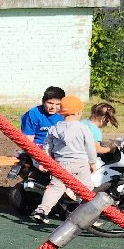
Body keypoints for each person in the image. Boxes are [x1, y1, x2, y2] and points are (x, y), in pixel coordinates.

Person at [31, 94, 99, 222]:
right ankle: (90, 217)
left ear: (61, 112)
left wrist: (45, 162)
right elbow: (90, 146)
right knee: (86, 190)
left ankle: (42, 210)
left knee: (55, 188)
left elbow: (47, 146)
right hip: (80, 163)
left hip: (60, 164)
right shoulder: (83, 128)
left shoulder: (55, 128)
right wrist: (92, 162)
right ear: (79, 112)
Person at [20, 86, 66, 150]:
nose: (53, 107)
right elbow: (28, 141)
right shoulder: (32, 115)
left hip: (59, 148)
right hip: (38, 149)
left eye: (57, 104)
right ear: (43, 101)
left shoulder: (65, 114)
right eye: (50, 103)